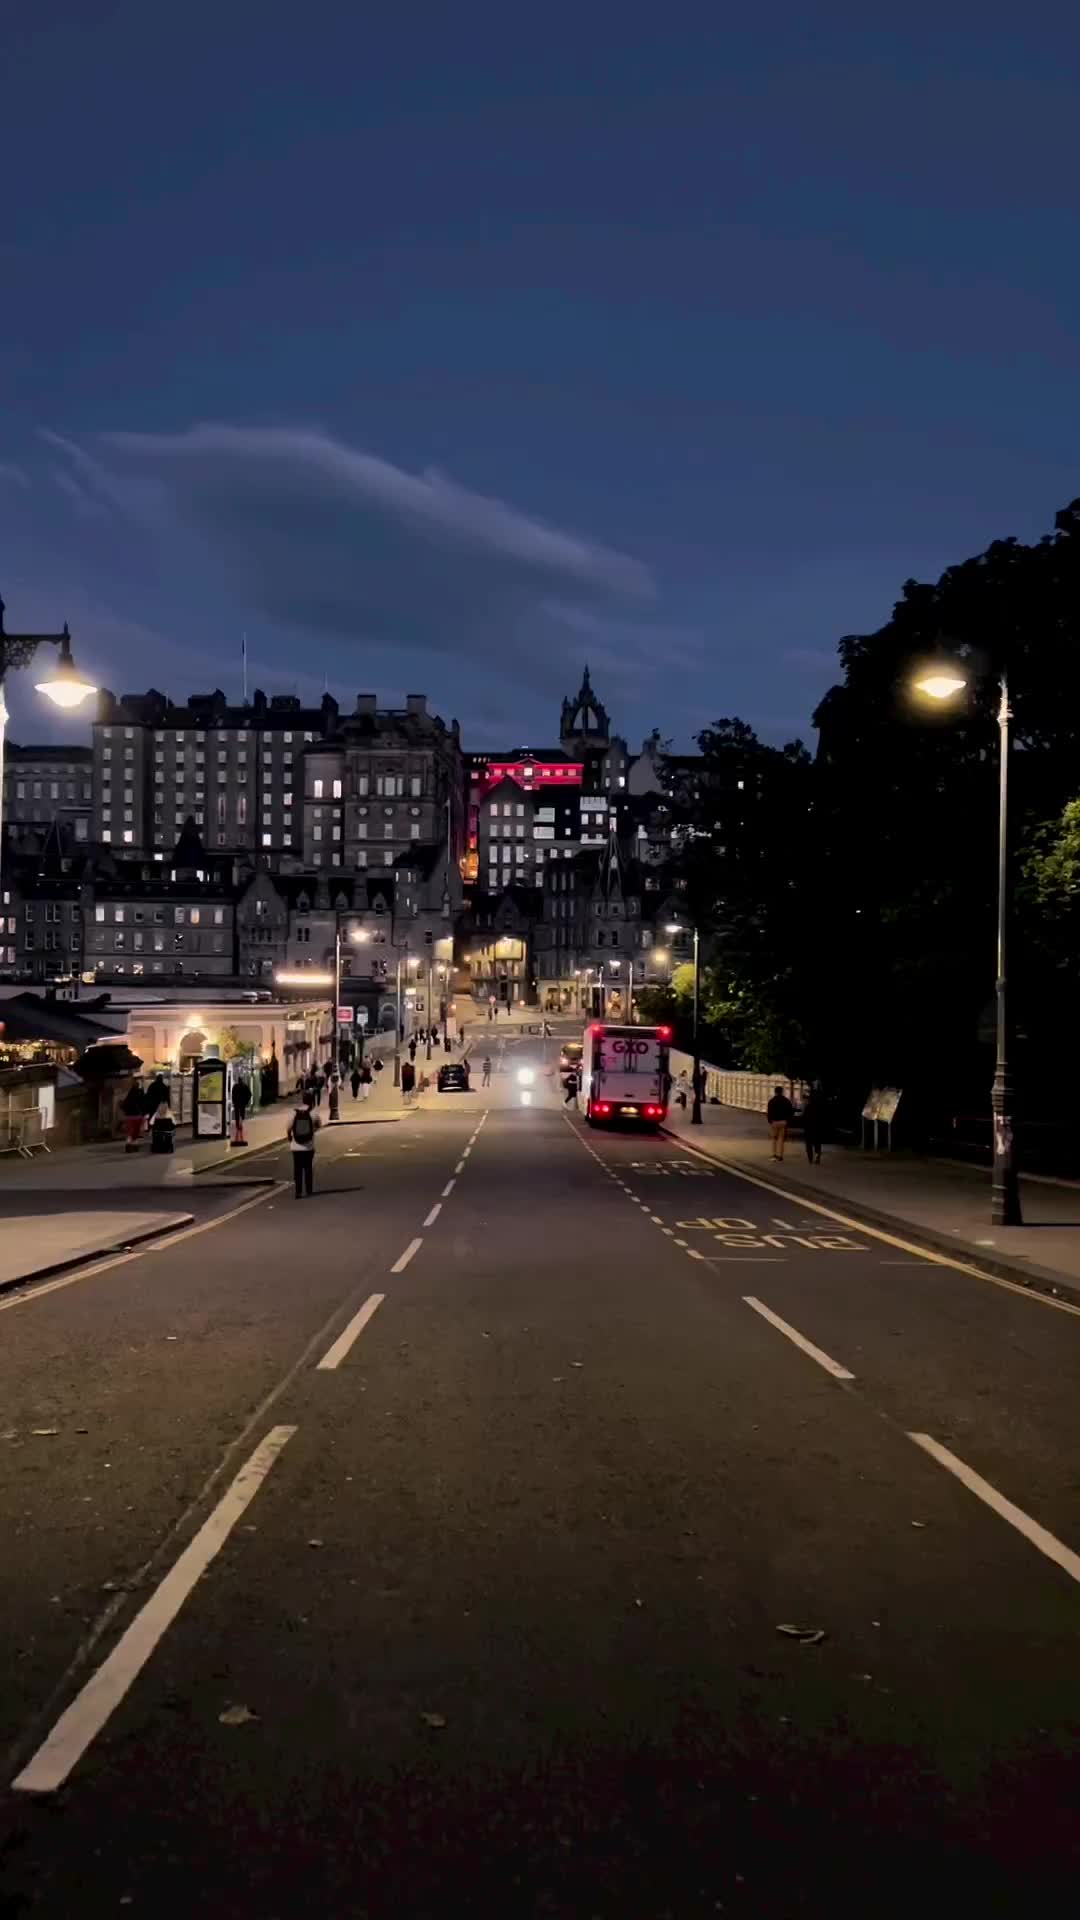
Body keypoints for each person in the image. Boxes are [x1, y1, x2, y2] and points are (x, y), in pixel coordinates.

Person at [287, 1097, 320, 1198]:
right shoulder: (314, 1114)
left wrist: (290, 1137)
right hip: (308, 1146)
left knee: (297, 1169)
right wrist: (312, 1130)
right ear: (311, 1102)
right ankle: (309, 1190)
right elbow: (318, 1125)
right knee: (308, 1168)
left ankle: (298, 1191)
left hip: (296, 1147)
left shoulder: (294, 1113)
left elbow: (288, 1128)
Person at [767, 1084, 795, 1160]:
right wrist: (788, 1120)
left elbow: (769, 1112)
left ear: (775, 1092)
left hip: (774, 1122)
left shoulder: (772, 1101)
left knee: (774, 1138)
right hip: (783, 1122)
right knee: (781, 1139)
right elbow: (790, 1111)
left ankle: (774, 1154)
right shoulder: (786, 1101)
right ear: (782, 1092)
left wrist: (770, 1121)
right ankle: (780, 1155)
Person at [801, 1083, 825, 1165]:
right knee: (817, 1142)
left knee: (809, 1144)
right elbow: (822, 1117)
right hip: (817, 1127)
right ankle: (817, 1154)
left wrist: (804, 1126)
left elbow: (804, 1117)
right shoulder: (820, 1107)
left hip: (808, 1128)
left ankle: (810, 1158)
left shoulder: (808, 1107)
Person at [120, 1081, 146, 1153]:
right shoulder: (140, 1093)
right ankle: (135, 1146)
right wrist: (144, 1113)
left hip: (129, 1117)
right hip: (138, 1116)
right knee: (136, 1133)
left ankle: (128, 1144)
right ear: (138, 1086)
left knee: (130, 1132)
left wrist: (126, 1113)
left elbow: (124, 1105)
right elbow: (144, 1104)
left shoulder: (130, 1094)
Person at [230, 1074, 251, 1146]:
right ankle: (240, 1124)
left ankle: (237, 1124)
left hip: (237, 1103)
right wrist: (246, 1101)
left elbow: (233, 1094)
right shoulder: (245, 1086)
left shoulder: (235, 1086)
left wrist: (233, 1101)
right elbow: (249, 1094)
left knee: (237, 1114)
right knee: (242, 1114)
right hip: (242, 1103)